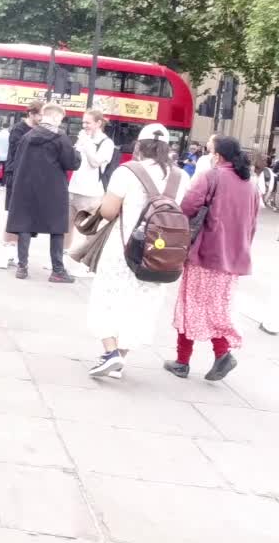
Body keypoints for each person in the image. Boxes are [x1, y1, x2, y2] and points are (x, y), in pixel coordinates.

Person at [84, 124, 190, 379]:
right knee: (141, 306)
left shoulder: (127, 172)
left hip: (123, 250)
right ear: (167, 148)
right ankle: (120, 356)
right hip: (157, 253)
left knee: (107, 300)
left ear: (139, 145)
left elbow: (108, 211)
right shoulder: (180, 177)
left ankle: (111, 354)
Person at [169, 135, 260, 381]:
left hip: (206, 252)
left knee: (191, 303)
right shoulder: (250, 183)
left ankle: (184, 360)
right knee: (217, 306)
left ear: (218, 156)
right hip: (234, 257)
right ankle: (220, 354)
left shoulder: (212, 176)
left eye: (210, 152)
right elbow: (253, 224)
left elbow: (187, 206)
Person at [5, 103, 81, 282]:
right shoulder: (60, 137)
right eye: (61, 119)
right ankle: (57, 271)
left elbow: (17, 161)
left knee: (24, 224)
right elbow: (72, 163)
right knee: (57, 228)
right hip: (53, 190)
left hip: (26, 187)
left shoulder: (27, 136)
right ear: (55, 118)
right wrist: (77, 152)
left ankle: (22, 267)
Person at [0, 101, 42, 269]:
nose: (42, 118)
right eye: (40, 115)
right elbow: (17, 153)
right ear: (31, 114)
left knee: (25, 219)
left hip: (31, 179)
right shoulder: (19, 129)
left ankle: (16, 253)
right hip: (16, 176)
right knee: (13, 216)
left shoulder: (38, 130)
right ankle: (4, 252)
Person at [65, 109, 115, 257]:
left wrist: (87, 144)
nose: (84, 125)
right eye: (83, 122)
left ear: (99, 123)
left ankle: (88, 264)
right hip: (73, 189)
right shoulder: (84, 139)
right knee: (66, 227)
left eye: (88, 122)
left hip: (91, 194)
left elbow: (95, 163)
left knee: (88, 229)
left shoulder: (107, 143)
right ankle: (60, 258)